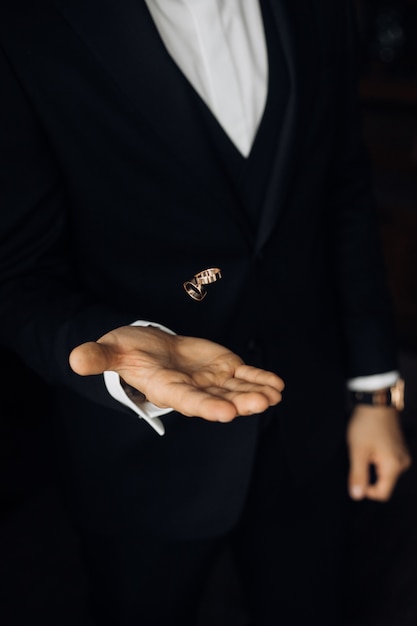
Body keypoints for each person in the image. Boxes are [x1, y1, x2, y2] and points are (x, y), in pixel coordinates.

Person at [0, 1, 412, 624]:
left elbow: (343, 191)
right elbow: (17, 272)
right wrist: (117, 346)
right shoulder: (24, 24)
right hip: (139, 457)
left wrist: (375, 392)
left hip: (310, 424)